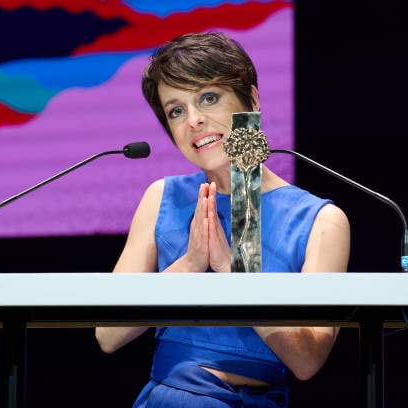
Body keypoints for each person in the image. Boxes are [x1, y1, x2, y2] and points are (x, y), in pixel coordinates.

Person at [95, 32, 350, 407]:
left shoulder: (321, 221)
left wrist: (233, 273)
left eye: (208, 98)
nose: (194, 120)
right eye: (176, 110)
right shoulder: (161, 198)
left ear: (252, 100)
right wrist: (189, 266)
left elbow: (308, 361)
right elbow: (107, 335)